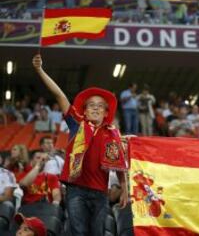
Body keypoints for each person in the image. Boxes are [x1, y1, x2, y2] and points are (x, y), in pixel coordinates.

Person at [32, 54, 129, 236]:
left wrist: (124, 188)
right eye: (90, 105)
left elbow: (119, 165)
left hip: (101, 193)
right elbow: (59, 95)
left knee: (97, 233)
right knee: (78, 232)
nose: (95, 108)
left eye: (100, 106)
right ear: (83, 110)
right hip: (76, 190)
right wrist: (40, 70)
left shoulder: (113, 134)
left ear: (106, 113)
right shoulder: (77, 124)